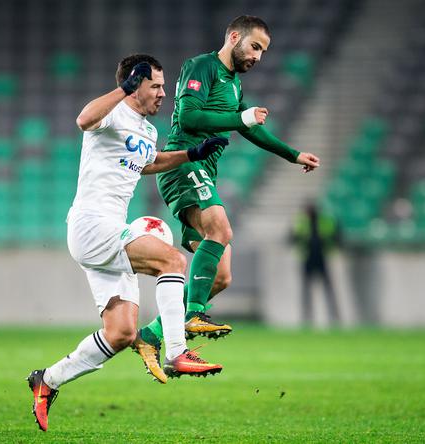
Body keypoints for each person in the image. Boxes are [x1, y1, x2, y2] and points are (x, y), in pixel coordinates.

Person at [26, 54, 229, 432]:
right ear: (136, 84)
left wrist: (192, 154)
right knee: (173, 261)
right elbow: (83, 120)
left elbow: (148, 162)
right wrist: (122, 89)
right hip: (92, 224)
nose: (163, 94)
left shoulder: (147, 130)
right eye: (155, 86)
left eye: (164, 86)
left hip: (108, 230)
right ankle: (177, 352)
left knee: (120, 333)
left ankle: (47, 380)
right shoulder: (112, 112)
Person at [133, 16, 321, 378]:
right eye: (254, 47)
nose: (258, 57)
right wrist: (241, 119)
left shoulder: (234, 86)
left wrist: (292, 154)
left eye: (263, 52)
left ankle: (150, 336)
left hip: (203, 173)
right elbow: (188, 116)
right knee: (220, 228)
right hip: (183, 162)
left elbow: (247, 127)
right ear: (234, 37)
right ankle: (192, 316)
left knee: (221, 276)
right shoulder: (201, 66)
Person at [289, 201, 341, 325]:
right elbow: (292, 238)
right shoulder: (302, 222)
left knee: (326, 290)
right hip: (308, 258)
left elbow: (335, 235)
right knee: (308, 290)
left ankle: (333, 318)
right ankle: (307, 318)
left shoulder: (323, 221)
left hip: (321, 258)